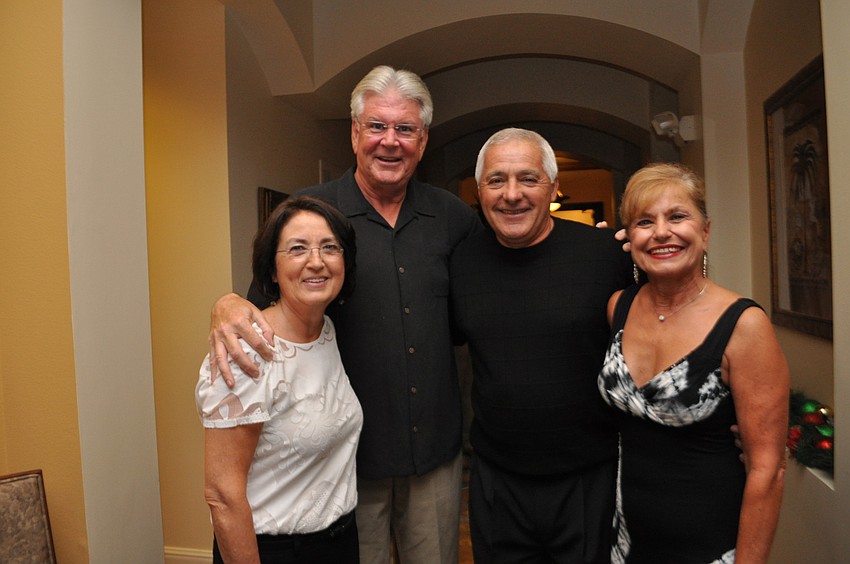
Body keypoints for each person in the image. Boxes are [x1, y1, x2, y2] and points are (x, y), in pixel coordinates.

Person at [208, 66, 481, 563]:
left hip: (435, 459)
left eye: (405, 129)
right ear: (355, 133)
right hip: (342, 464)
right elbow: (261, 306)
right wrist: (224, 304)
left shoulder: (454, 218)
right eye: (377, 126)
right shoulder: (311, 214)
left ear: (423, 140)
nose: (390, 141)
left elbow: (486, 307)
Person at [449, 128, 634, 563]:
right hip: (497, 481)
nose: (511, 194)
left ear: (553, 187)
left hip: (588, 479)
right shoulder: (459, 263)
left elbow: (667, 329)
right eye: (496, 181)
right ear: (479, 192)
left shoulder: (607, 254)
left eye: (528, 179)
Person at [597, 163, 788, 563]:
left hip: (709, 546)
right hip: (626, 539)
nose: (661, 232)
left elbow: (766, 470)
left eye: (678, 216)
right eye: (644, 222)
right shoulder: (619, 307)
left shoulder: (744, 325)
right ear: (630, 238)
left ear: (705, 231)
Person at [196, 196, 362, 563]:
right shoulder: (246, 352)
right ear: (272, 269)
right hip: (276, 551)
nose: (316, 261)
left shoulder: (325, 331)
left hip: (337, 542)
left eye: (329, 247)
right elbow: (222, 494)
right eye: (298, 248)